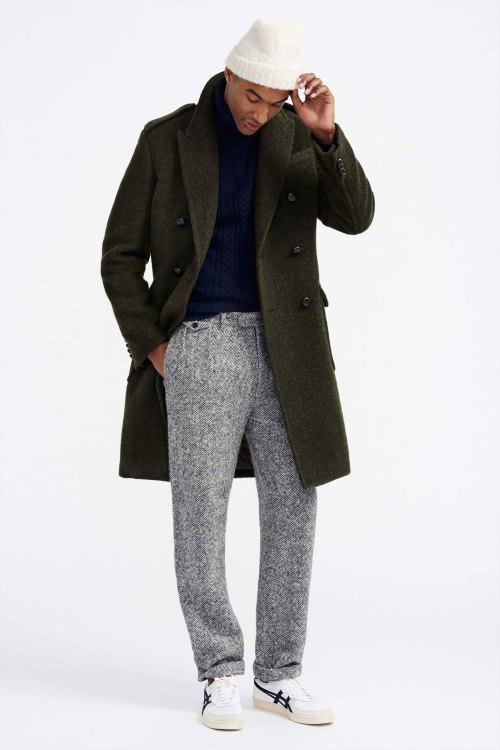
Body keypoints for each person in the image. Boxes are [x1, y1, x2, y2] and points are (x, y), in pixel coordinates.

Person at [101, 16, 375, 731]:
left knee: (294, 504)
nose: (260, 112)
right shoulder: (167, 139)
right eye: (252, 95)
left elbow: (356, 217)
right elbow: (120, 256)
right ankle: (220, 669)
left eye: (274, 101)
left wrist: (325, 135)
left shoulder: (297, 135)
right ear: (229, 75)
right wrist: (155, 347)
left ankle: (278, 673)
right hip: (201, 342)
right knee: (200, 510)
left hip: (290, 344)